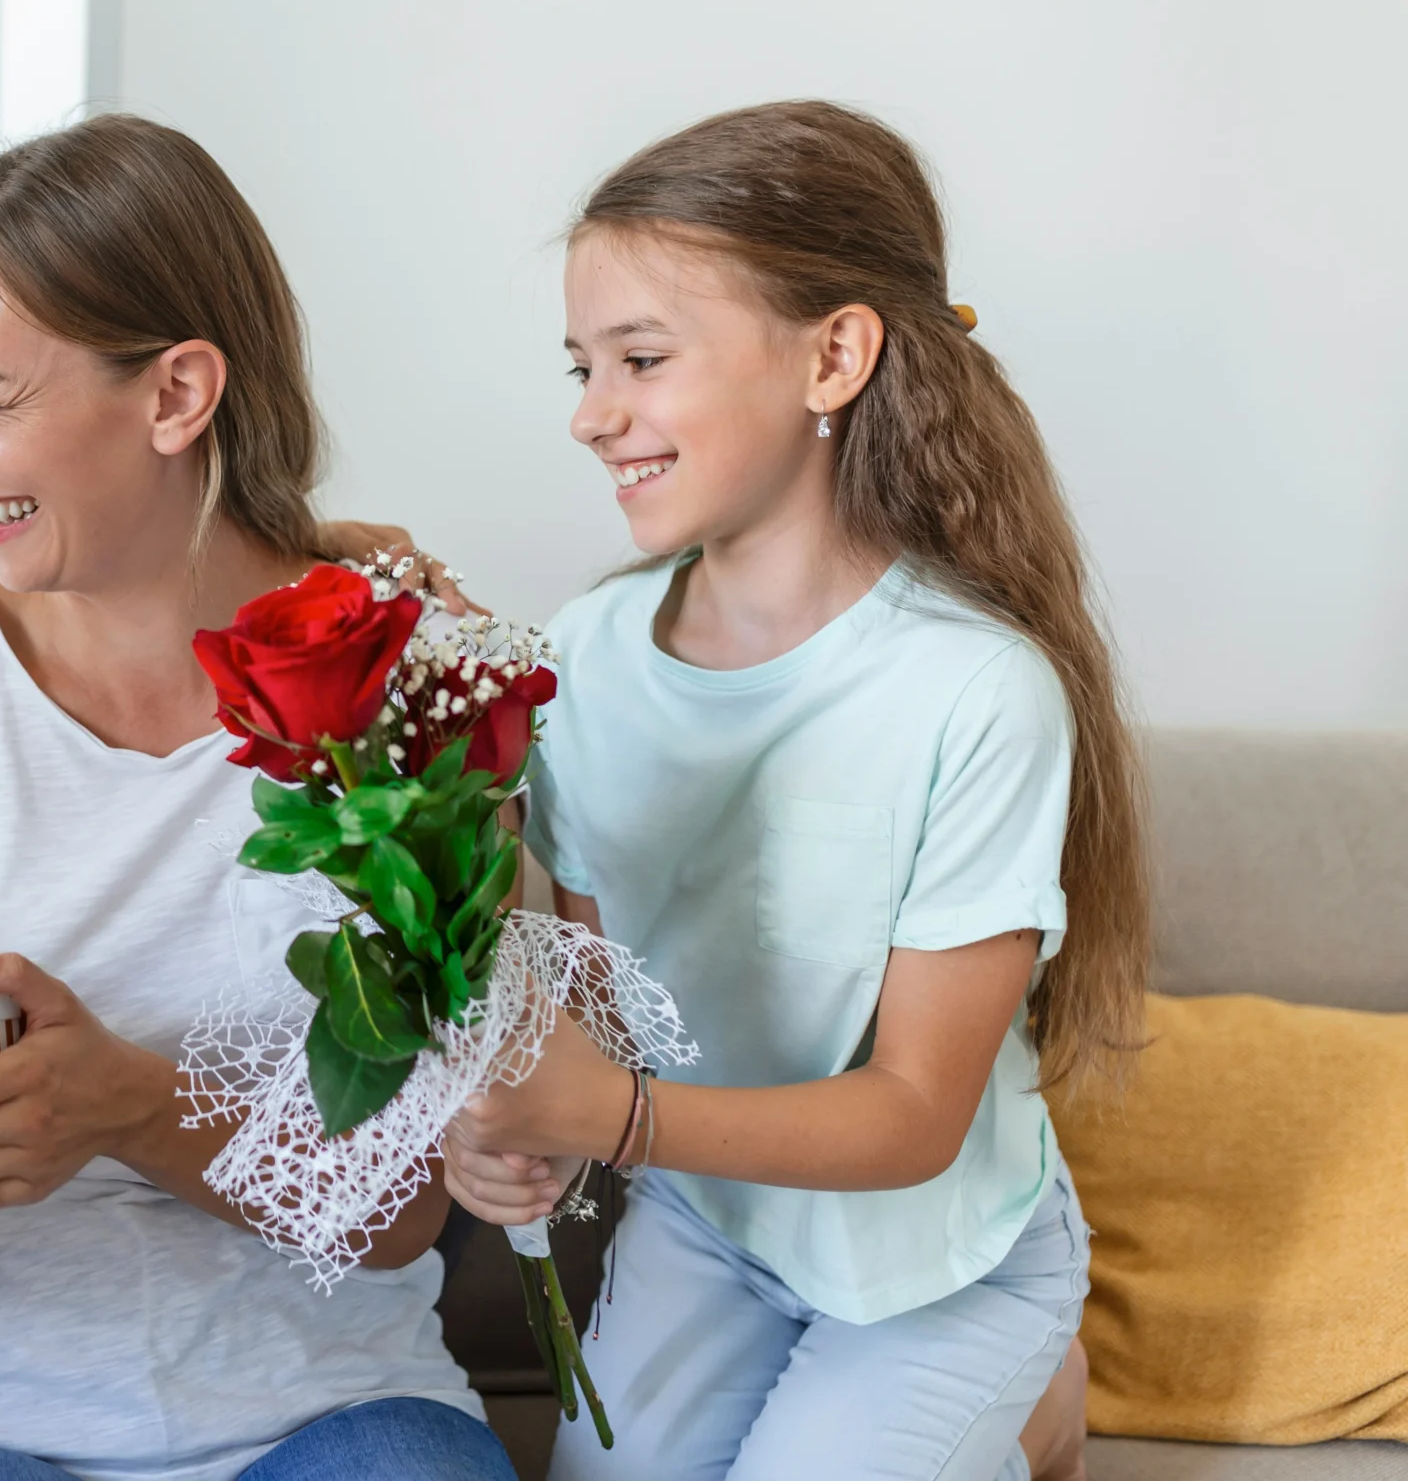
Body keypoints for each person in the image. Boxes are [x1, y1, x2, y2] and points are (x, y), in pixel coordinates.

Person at [0, 115, 515, 1481]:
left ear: (175, 394)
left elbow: (400, 1212)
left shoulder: (416, 690)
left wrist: (132, 1104)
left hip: (336, 1406)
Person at [441, 101, 1143, 1481]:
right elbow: (605, 1007)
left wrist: (611, 1115)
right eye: (583, 365)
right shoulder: (583, 655)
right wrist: (514, 1139)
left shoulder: (975, 689)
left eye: (642, 357)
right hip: (713, 1221)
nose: (593, 414)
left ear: (835, 354)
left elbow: (914, 1111)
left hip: (938, 1251)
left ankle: (1032, 1382)